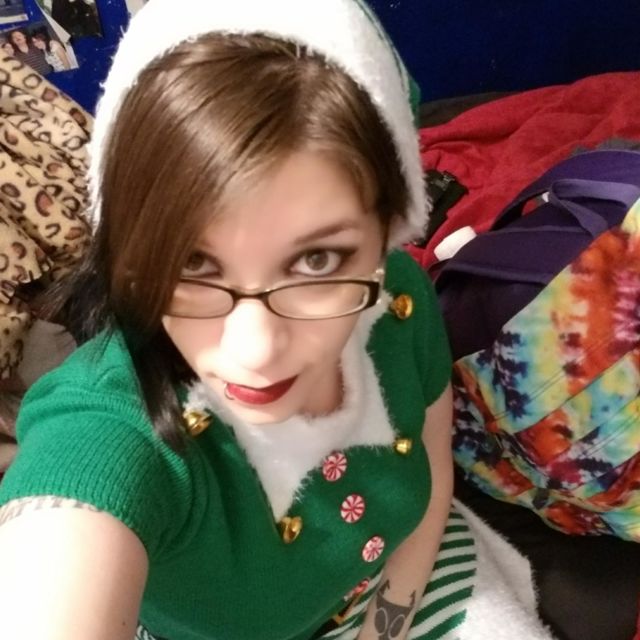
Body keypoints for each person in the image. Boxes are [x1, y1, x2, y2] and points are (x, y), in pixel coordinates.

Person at [0, 1, 552, 639]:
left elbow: (431, 475)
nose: (256, 349)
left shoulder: (395, 298)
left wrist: (386, 626)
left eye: (316, 261)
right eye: (192, 264)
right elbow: (61, 548)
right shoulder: (111, 425)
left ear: (386, 235)